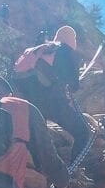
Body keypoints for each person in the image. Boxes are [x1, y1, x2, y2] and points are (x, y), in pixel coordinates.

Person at [13, 25, 92, 163]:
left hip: (27, 98)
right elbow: (74, 85)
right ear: (72, 40)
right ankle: (72, 170)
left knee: (38, 139)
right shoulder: (65, 50)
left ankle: (38, 169)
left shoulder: (40, 49)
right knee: (83, 133)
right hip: (52, 101)